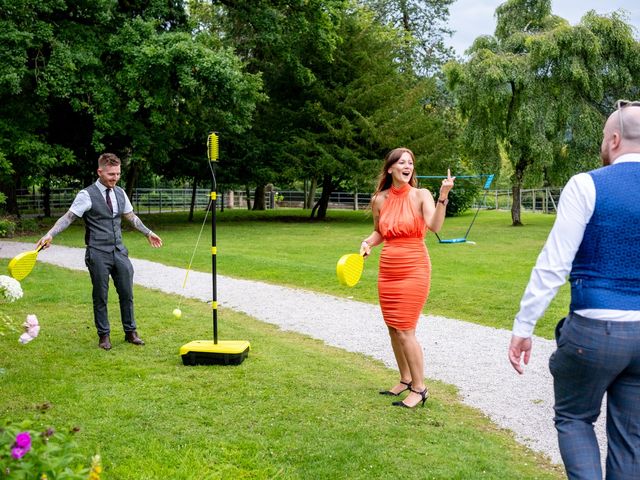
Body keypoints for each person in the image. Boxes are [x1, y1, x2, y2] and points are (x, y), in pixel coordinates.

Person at [508, 101, 640, 479]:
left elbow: (553, 264)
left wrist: (523, 327)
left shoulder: (587, 184)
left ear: (614, 139)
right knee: (632, 440)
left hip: (595, 329)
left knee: (574, 417)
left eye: (603, 137)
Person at [37, 153, 163, 350]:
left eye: (118, 174)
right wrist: (50, 234)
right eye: (111, 174)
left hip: (119, 251)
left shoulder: (120, 193)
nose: (115, 177)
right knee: (100, 296)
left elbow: (130, 216)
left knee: (127, 293)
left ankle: (131, 332)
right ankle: (104, 336)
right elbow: (69, 217)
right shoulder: (86, 195)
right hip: (97, 252)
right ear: (100, 172)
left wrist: (148, 233)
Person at [361, 147, 454, 408]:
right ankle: (404, 379)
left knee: (405, 329)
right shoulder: (379, 199)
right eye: (402, 162)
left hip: (414, 267)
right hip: (388, 268)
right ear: (390, 168)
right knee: (393, 328)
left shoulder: (421, 195)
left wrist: (443, 196)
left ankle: (420, 387)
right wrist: (367, 243)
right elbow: (380, 231)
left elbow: (434, 226)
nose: (407, 166)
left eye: (410, 162)